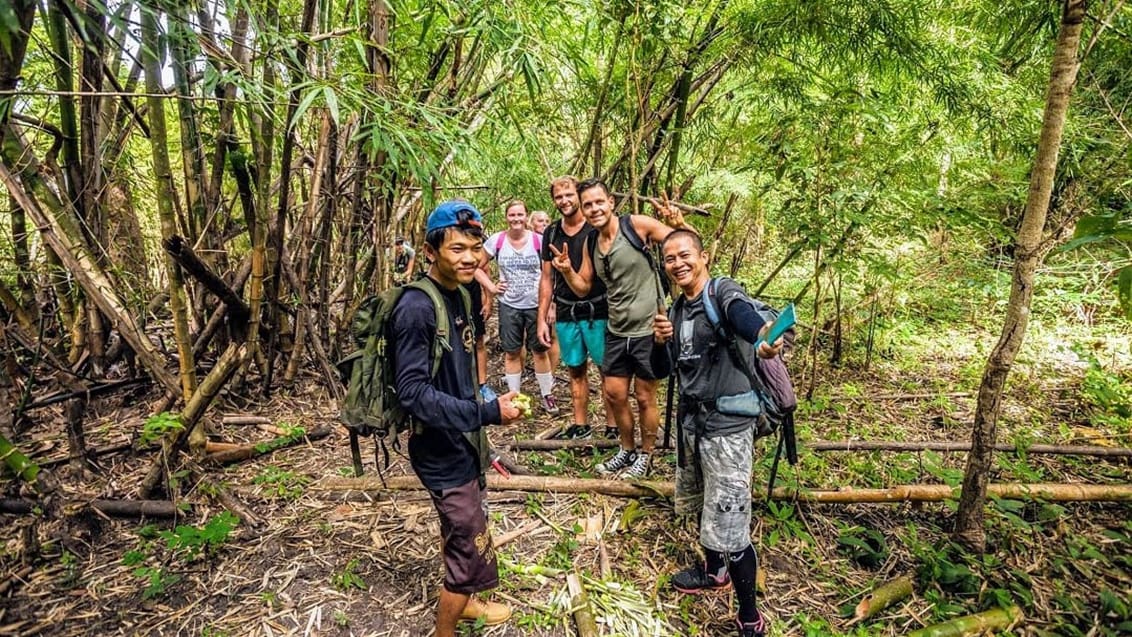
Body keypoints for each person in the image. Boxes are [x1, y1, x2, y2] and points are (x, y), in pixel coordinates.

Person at [390, 200, 523, 636]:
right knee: (468, 537)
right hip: (439, 447)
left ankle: (468, 604)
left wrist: (486, 407)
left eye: (475, 248)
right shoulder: (416, 308)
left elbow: (462, 365)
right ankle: (444, 630)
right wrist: (486, 412)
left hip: (465, 440)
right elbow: (412, 393)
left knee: (465, 527)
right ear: (431, 252)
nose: (469, 257)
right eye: (456, 249)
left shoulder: (464, 293)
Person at [651, 229, 780, 637]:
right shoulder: (676, 311)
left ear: (703, 256)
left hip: (727, 429)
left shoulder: (721, 291)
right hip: (693, 424)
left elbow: (744, 317)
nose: (678, 264)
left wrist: (763, 336)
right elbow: (662, 370)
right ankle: (714, 571)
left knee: (732, 522)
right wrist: (659, 342)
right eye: (670, 258)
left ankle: (749, 618)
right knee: (703, 502)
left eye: (684, 255)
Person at [549, 178, 693, 477]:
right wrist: (566, 271)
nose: (593, 208)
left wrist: (680, 225)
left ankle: (646, 454)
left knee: (644, 397)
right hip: (616, 328)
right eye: (587, 204)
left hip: (648, 329)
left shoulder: (637, 225)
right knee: (615, 394)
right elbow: (583, 286)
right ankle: (626, 450)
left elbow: (686, 249)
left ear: (611, 202)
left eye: (598, 202)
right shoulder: (592, 241)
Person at [538, 176, 612, 439]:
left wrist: (568, 270)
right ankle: (581, 425)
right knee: (575, 369)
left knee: (606, 370)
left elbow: (586, 283)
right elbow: (546, 279)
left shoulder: (593, 229)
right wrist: (541, 319)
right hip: (567, 311)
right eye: (559, 197)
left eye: (569, 195)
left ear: (578, 196)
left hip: (597, 310)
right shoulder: (552, 232)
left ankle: (612, 427)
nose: (564, 201)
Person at [478, 200, 559, 415]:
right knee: (512, 352)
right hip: (509, 305)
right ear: (507, 217)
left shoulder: (539, 241)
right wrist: (491, 287)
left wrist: (551, 304)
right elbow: (476, 265)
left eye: (520, 215)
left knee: (540, 351)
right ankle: (514, 397)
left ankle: (547, 395)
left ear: (526, 217)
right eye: (512, 215)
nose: (516, 219)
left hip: (535, 305)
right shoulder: (497, 240)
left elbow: (551, 275)